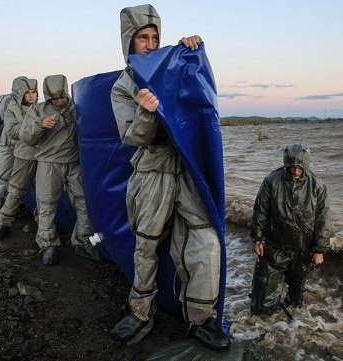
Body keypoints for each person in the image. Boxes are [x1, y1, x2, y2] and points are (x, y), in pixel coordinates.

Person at [109, 4, 230, 349]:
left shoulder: (172, 68)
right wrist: (147, 112)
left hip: (187, 168)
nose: (149, 44)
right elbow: (131, 136)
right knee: (146, 245)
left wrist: (193, 52)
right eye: (141, 38)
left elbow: (199, 99)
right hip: (151, 171)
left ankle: (202, 319)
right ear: (129, 43)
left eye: (154, 37)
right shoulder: (123, 86)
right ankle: (140, 313)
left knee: (205, 240)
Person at [20, 74, 99, 266]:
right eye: (55, 98)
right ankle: (47, 244)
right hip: (48, 163)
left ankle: (82, 241)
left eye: (62, 96)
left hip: (73, 161)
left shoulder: (76, 107)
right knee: (46, 204)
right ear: (48, 95)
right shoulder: (38, 110)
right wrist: (40, 125)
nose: (60, 101)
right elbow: (25, 137)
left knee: (83, 201)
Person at [250, 144, 331, 315]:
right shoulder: (271, 180)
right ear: (287, 165)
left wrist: (319, 249)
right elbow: (260, 210)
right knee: (262, 303)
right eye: (293, 167)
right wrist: (257, 238)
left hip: (303, 250)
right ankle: (261, 322)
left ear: (306, 166)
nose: (295, 172)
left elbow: (323, 220)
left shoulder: (317, 185)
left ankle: (292, 331)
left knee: (296, 301)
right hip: (275, 246)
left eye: (300, 168)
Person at [0, 78, 38, 238]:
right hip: (24, 154)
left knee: (44, 193)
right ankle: (4, 222)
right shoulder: (12, 109)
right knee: (16, 190)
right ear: (21, 94)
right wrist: (37, 127)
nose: (31, 96)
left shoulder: (41, 108)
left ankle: (43, 227)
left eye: (34, 92)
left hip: (44, 155)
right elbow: (12, 131)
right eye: (28, 93)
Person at [0, 76, 28, 217]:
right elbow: (13, 122)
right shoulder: (9, 101)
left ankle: (6, 205)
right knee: (1, 178)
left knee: (13, 179)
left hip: (16, 145)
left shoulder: (14, 100)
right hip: (7, 144)